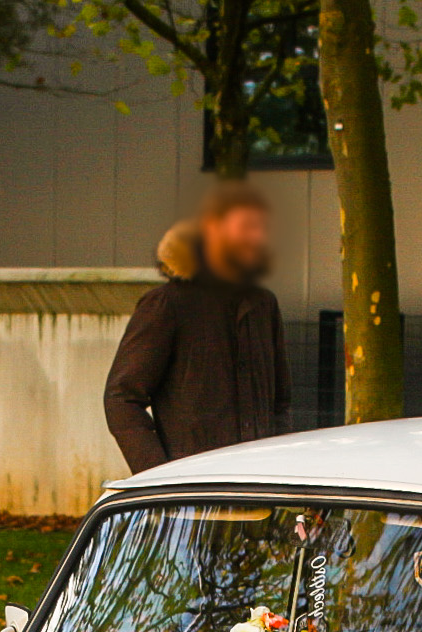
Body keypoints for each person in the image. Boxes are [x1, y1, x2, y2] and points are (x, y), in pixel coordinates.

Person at [104, 183, 291, 474]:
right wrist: (160, 476)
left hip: (259, 484)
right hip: (193, 491)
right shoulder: (168, 304)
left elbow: (280, 401)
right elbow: (122, 398)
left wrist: (279, 467)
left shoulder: (263, 303)